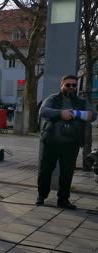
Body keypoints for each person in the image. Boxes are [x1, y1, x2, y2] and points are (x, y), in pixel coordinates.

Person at [36, 75, 97, 210]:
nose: (71, 88)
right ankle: (41, 196)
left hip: (71, 143)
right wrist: (60, 113)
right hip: (51, 141)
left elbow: (93, 115)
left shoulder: (82, 101)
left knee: (67, 173)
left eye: (74, 85)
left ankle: (63, 199)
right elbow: (43, 111)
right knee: (45, 170)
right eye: (68, 85)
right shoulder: (52, 99)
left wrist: (78, 113)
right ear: (61, 85)